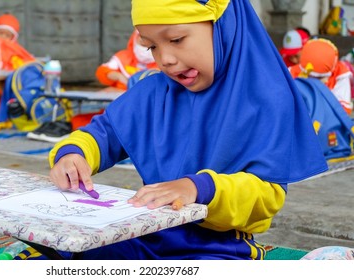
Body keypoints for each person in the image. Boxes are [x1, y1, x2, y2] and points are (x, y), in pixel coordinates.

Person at [45, 0, 328, 260]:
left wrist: (198, 188)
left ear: (221, 25)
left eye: (176, 39)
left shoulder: (265, 99)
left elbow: (266, 196)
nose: (165, 59)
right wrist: (73, 154)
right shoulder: (154, 92)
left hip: (217, 248)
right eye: (151, 47)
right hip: (141, 234)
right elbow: (103, 133)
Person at [289, 38, 353, 115]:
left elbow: (342, 111)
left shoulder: (340, 74)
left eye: (320, 78)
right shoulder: (292, 72)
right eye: (310, 76)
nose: (315, 81)